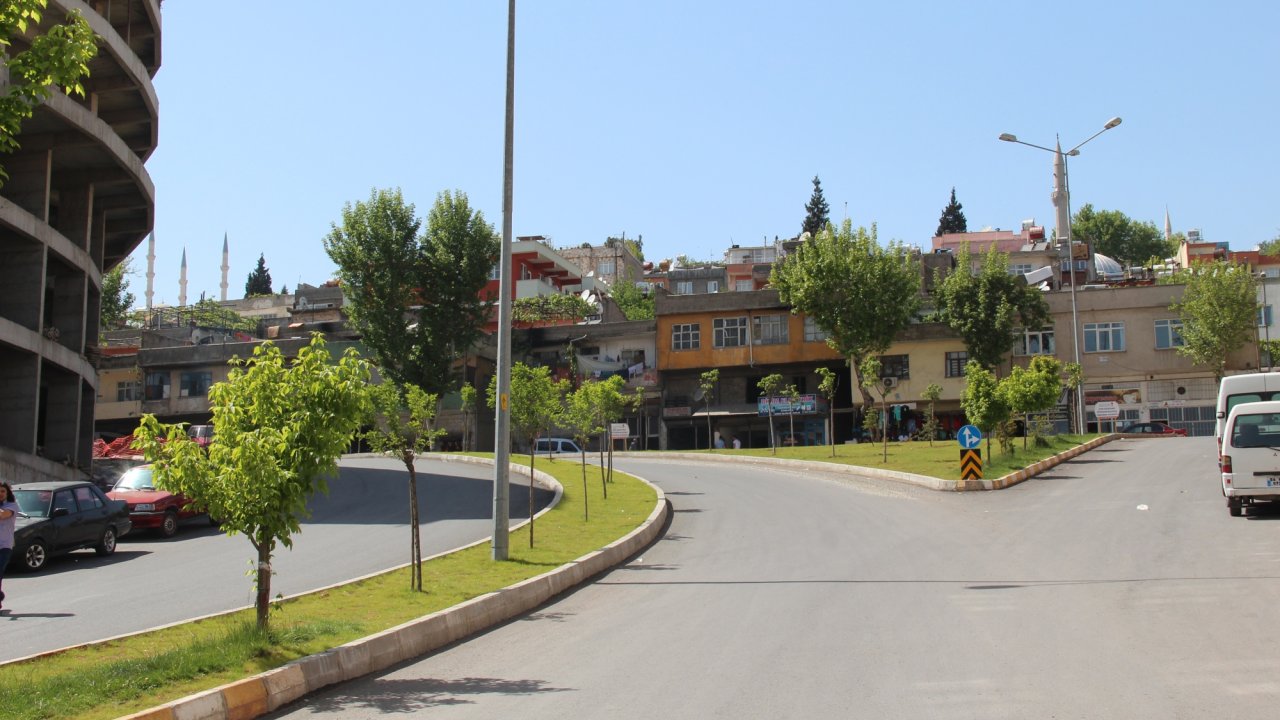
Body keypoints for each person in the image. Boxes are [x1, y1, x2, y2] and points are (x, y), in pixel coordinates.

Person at [0, 481, 19, 611]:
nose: (0, 494)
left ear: (7, 493)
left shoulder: (12, 506)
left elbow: (2, 515)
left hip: (5, 545)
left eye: (3, 491)